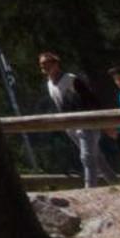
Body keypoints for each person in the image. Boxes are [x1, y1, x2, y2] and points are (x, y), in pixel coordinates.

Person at [39, 50, 115, 188]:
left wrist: (105, 123)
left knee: (87, 157)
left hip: (86, 122)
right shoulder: (49, 84)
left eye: (47, 63)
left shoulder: (71, 79)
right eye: (42, 64)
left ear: (56, 64)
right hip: (71, 126)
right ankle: (116, 183)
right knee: (96, 156)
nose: (44, 67)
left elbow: (91, 100)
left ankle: (90, 189)